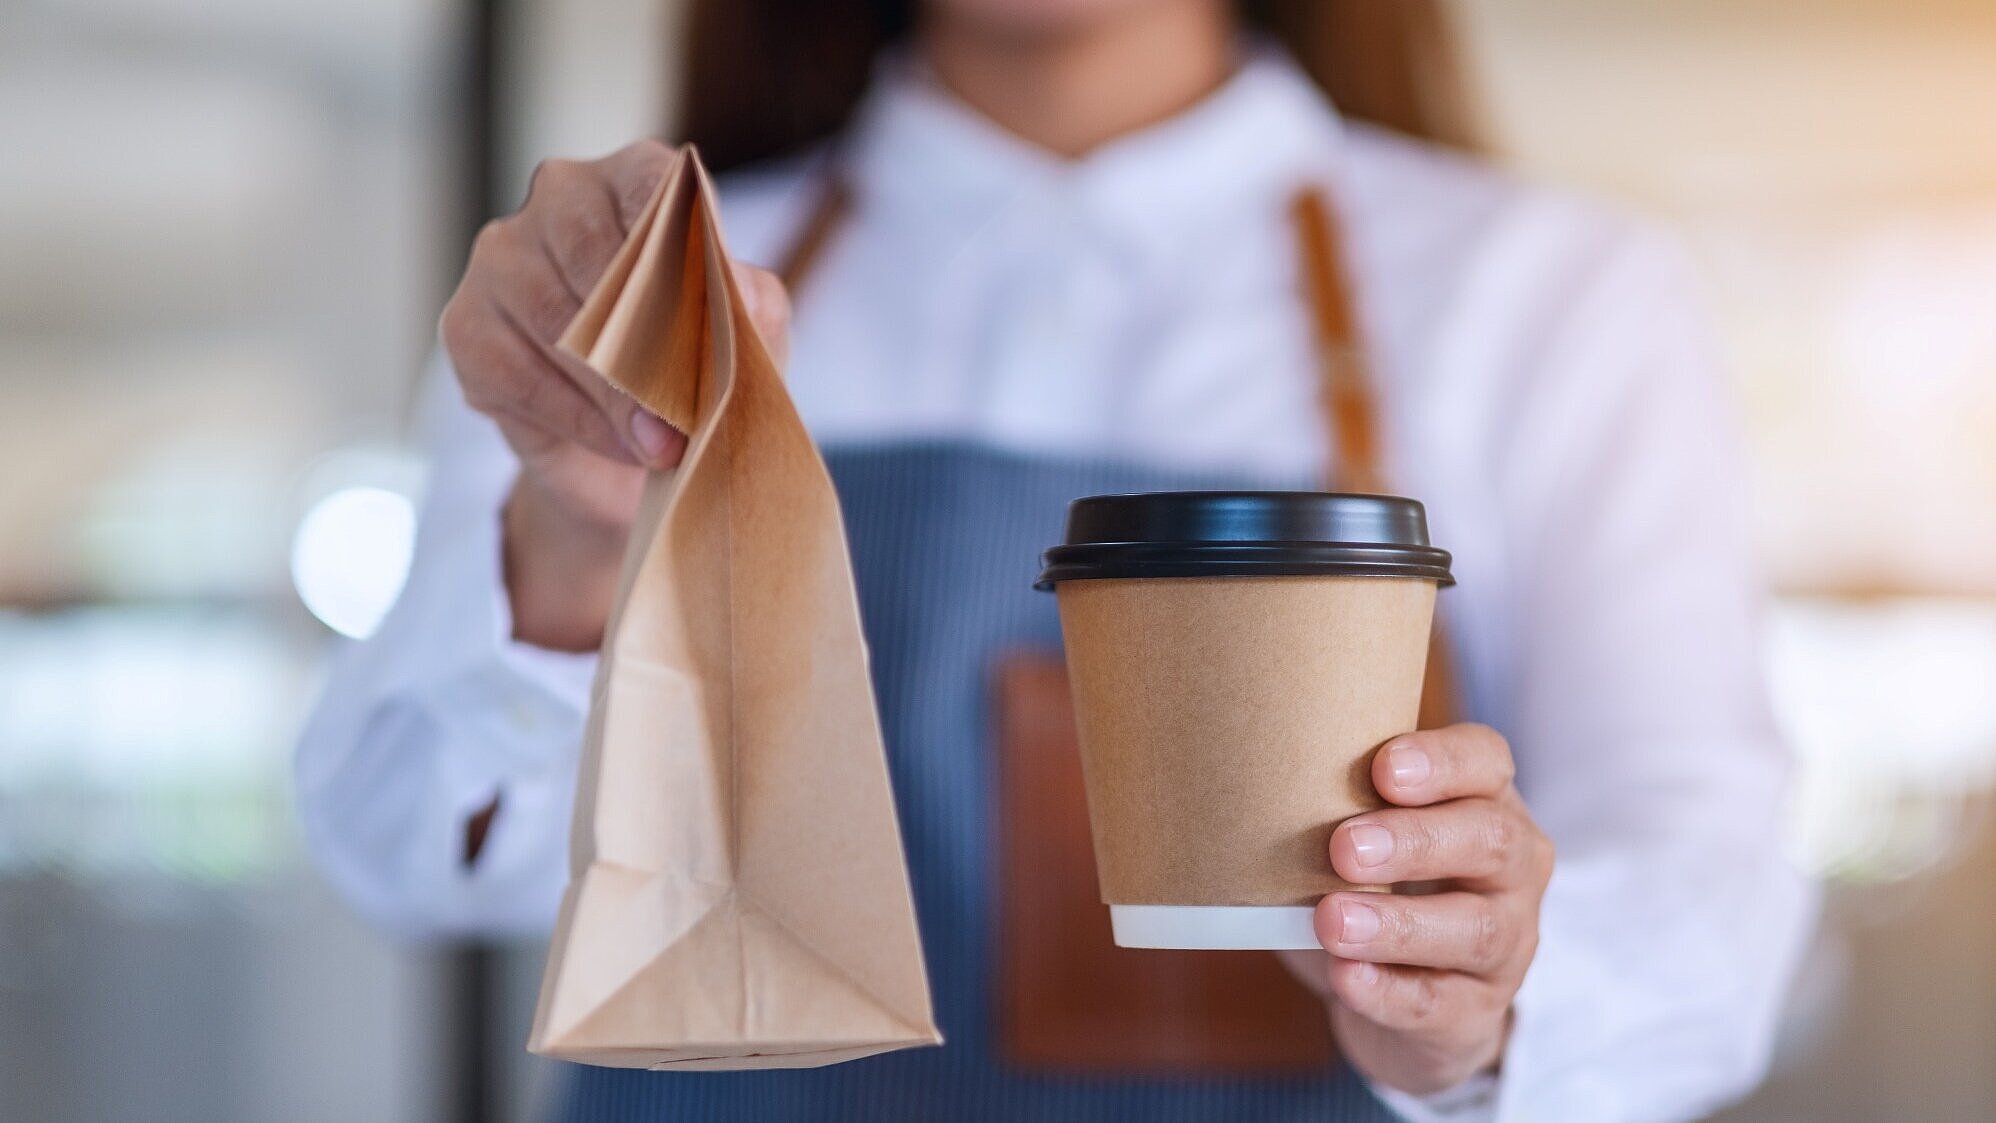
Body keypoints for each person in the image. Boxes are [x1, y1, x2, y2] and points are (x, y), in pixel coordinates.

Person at [295, 0, 1815, 1119]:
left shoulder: (1547, 296)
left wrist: (1483, 1006)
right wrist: (578, 531)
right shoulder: (632, 298)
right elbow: (422, 860)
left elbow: (1711, 893)